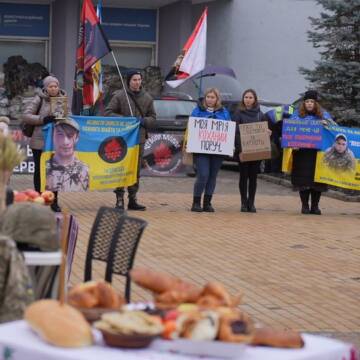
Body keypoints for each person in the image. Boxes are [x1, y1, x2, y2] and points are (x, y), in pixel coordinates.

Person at [105, 69, 156, 211]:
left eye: (139, 79)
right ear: (128, 81)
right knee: (121, 169)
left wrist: (143, 121)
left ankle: (132, 199)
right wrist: (125, 120)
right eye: (134, 79)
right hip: (122, 139)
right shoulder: (120, 96)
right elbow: (108, 112)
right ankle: (119, 198)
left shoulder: (147, 98)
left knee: (135, 170)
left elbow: (153, 118)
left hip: (138, 139)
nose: (137, 82)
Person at [22, 75, 68, 212]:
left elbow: (69, 116)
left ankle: (53, 201)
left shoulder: (62, 100)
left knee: (55, 172)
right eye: (50, 86)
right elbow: (26, 115)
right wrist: (43, 119)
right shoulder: (39, 99)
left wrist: (64, 120)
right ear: (46, 88)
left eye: (55, 86)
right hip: (39, 142)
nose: (53, 89)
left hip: (56, 142)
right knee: (39, 171)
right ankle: (38, 199)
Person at [290, 90, 335, 215]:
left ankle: (315, 206)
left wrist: (327, 124)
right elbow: (290, 130)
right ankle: (305, 205)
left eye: (312, 101)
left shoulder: (324, 115)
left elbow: (334, 128)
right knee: (303, 180)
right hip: (302, 153)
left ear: (316, 103)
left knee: (317, 180)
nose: (309, 104)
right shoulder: (297, 115)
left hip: (318, 153)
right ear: (304, 103)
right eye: (307, 101)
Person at [190, 87, 231, 212]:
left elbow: (228, 125)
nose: (210, 99)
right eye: (208, 97)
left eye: (212, 97)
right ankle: (196, 202)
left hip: (217, 149)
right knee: (203, 175)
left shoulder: (223, 111)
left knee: (212, 176)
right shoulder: (198, 110)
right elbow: (192, 123)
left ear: (217, 99)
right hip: (201, 148)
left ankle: (207, 202)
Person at [233, 89, 270, 213]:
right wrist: (240, 148)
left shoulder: (260, 115)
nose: (248, 100)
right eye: (246, 97)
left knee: (253, 177)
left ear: (255, 99)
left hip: (256, 152)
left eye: (250, 97)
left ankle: (251, 203)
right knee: (243, 177)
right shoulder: (238, 113)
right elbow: (235, 132)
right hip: (243, 151)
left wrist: (268, 133)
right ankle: (244, 202)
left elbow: (265, 132)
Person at [45, 118, 89, 192]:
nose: (65, 142)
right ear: (52, 136)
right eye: (60, 134)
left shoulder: (85, 170)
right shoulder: (44, 167)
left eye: (70, 135)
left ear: (77, 137)